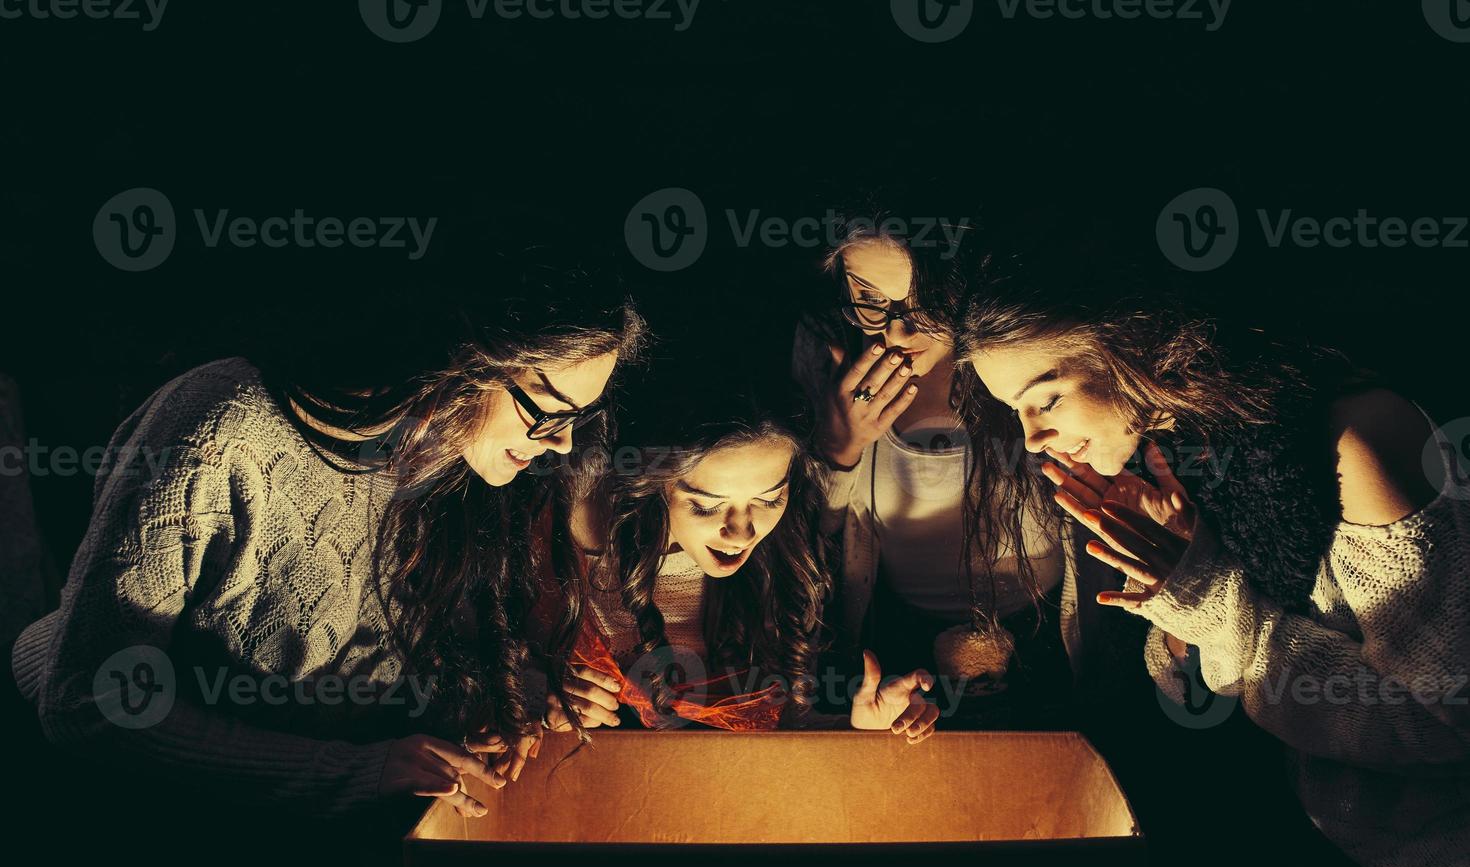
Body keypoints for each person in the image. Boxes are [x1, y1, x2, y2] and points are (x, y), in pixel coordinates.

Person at [10, 247, 647, 820]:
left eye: (579, 418)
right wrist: (353, 772)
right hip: (154, 829)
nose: (561, 442)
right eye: (549, 412)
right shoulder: (223, 427)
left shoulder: (460, 466)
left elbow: (369, 679)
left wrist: (515, 703)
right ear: (461, 357)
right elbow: (88, 702)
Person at [961, 259, 1469, 867]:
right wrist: (1173, 604)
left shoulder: (1355, 438)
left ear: (1128, 344)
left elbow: (1442, 725)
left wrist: (1200, 595)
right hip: (1314, 818)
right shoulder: (1180, 446)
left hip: (1439, 847)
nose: (1033, 436)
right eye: (1015, 410)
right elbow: (1203, 683)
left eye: (1045, 399)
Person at [790, 209, 1140, 726]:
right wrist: (836, 451)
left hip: (1051, 625)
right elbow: (798, 537)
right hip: (900, 641)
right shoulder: (828, 360)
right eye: (869, 298)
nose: (899, 329)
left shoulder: (1020, 355)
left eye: (924, 301)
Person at [521, 340, 940, 747]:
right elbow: (483, 663)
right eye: (706, 506)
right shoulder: (578, 533)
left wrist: (860, 732)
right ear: (654, 482)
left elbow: (779, 735)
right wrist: (539, 699)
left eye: (769, 499)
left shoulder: (783, 555)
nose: (742, 533)